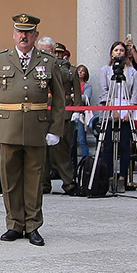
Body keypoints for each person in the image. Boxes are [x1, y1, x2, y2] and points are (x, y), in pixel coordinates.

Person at [0, 13, 67, 246]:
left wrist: (55, 129)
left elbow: (59, 99)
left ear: (36, 36)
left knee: (35, 178)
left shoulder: (48, 61)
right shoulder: (0, 59)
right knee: (9, 179)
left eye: (29, 32)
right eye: (20, 31)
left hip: (37, 128)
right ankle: (14, 223)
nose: (24, 36)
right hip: (8, 127)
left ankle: (33, 225)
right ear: (13, 34)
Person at [96, 40, 137, 186]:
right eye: (116, 50)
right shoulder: (105, 70)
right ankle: (108, 177)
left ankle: (122, 178)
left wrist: (129, 110)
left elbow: (135, 93)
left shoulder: (132, 71)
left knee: (125, 146)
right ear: (111, 53)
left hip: (127, 111)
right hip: (110, 110)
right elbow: (104, 92)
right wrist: (113, 110)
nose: (119, 53)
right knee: (108, 145)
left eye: (121, 50)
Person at [39, 36, 78, 195]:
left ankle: (69, 183)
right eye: (41, 51)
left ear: (54, 52)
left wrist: (75, 112)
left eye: (47, 51)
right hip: (41, 113)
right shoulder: (36, 66)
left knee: (60, 150)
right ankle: (43, 184)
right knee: (42, 153)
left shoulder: (64, 67)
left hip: (60, 114)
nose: (44, 54)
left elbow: (68, 83)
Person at [74, 63, 94, 162]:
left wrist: (73, 96)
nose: (80, 73)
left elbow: (86, 97)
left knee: (82, 139)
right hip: (72, 113)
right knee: (71, 141)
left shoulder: (87, 86)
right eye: (79, 70)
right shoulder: (72, 83)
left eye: (83, 71)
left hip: (81, 114)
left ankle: (86, 161)